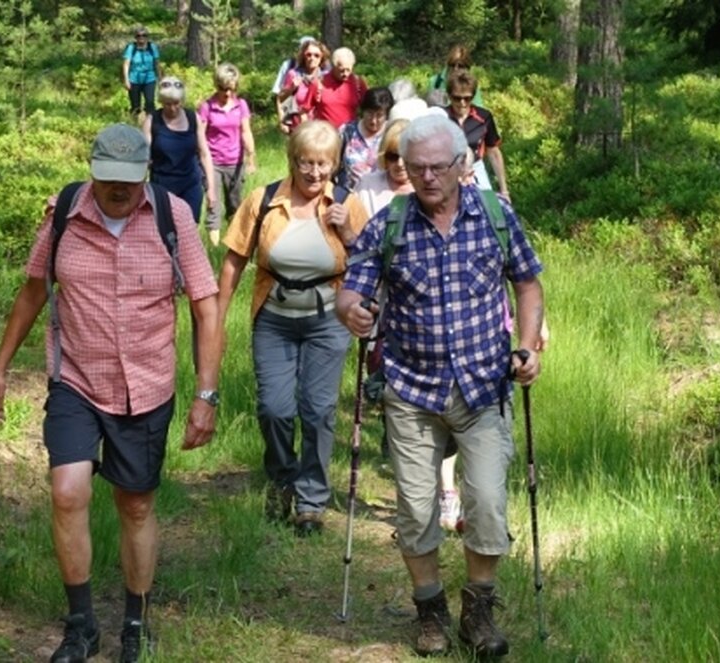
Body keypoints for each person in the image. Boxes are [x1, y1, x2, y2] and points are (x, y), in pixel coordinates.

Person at [0, 124, 223, 663]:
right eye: (107, 179)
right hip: (76, 380)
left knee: (135, 504)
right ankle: (81, 624)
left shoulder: (172, 217)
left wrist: (206, 394)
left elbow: (207, 307)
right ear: (91, 171)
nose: (118, 190)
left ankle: (135, 624)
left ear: (146, 174)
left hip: (145, 384)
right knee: (67, 492)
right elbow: (34, 292)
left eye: (129, 181)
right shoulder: (65, 212)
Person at [336, 114, 544, 658]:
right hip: (411, 389)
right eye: (414, 167)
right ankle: (429, 609)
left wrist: (526, 347)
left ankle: (478, 610)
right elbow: (351, 290)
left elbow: (527, 284)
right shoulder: (390, 223)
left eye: (436, 167)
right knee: (416, 508)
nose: (425, 177)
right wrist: (355, 312)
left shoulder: (496, 215)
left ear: (462, 164)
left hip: (483, 386)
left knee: (488, 503)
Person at [216, 120, 369, 537]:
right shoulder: (263, 200)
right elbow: (234, 259)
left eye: (323, 165)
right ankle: (282, 478)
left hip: (328, 322)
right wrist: (217, 314)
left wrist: (349, 232)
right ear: (292, 161)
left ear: (335, 164)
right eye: (306, 163)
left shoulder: (348, 203)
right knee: (274, 409)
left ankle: (311, 501)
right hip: (274, 320)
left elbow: (372, 262)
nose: (314, 173)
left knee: (317, 411)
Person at [143, 75, 217, 225]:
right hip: (162, 185)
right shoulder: (152, 121)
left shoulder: (192, 118)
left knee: (188, 227)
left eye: (176, 103)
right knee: (165, 230)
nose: (172, 108)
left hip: (190, 183)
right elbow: (143, 158)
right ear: (161, 102)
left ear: (182, 101)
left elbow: (204, 154)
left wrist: (211, 189)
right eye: (167, 104)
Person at [198, 62, 257, 246]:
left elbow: (246, 131)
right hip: (212, 162)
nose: (227, 94)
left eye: (231, 89)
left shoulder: (241, 105)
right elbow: (199, 135)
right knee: (213, 204)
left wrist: (251, 157)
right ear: (217, 86)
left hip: (235, 161)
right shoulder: (207, 107)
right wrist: (202, 159)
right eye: (224, 89)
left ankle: (234, 245)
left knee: (235, 204)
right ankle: (214, 247)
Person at [445, 71, 510, 199]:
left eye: (467, 98)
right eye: (457, 98)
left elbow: (494, 152)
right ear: (449, 96)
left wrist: (504, 191)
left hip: (475, 168)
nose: (462, 103)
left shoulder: (484, 117)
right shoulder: (441, 116)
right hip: (447, 170)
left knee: (489, 207)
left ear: (473, 96)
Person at [336, 86, 393, 190]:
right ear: (363, 111)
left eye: (379, 115)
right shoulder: (347, 131)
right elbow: (333, 163)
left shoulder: (391, 134)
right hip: (347, 194)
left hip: (378, 195)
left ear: (386, 115)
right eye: (370, 113)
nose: (373, 120)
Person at [297, 47, 368, 130]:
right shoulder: (319, 83)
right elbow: (304, 111)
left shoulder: (358, 83)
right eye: (341, 70)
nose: (345, 74)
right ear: (333, 66)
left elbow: (369, 109)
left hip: (351, 136)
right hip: (325, 136)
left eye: (348, 70)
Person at [275, 38, 330, 134]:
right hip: (298, 129)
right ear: (303, 56)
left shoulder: (326, 78)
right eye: (308, 55)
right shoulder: (293, 74)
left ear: (322, 58)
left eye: (316, 55)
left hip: (321, 129)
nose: (312, 58)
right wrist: (291, 88)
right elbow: (280, 99)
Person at [122, 26, 162, 119]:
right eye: (139, 36)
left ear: (147, 37)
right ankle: (134, 125)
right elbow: (126, 64)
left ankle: (151, 124)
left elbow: (157, 64)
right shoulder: (131, 48)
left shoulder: (152, 47)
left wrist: (160, 79)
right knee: (135, 105)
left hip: (150, 78)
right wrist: (126, 80)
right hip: (134, 79)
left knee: (150, 103)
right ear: (135, 37)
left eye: (144, 35)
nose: (141, 38)